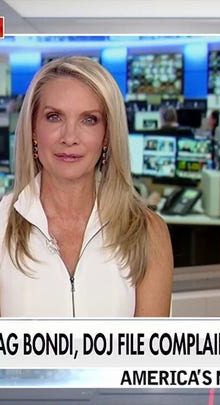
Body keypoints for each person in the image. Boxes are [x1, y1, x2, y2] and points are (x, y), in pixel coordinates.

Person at [0, 56, 173, 317]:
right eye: (54, 117)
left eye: (89, 120)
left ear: (107, 136)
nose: (70, 137)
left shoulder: (148, 232)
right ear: (33, 129)